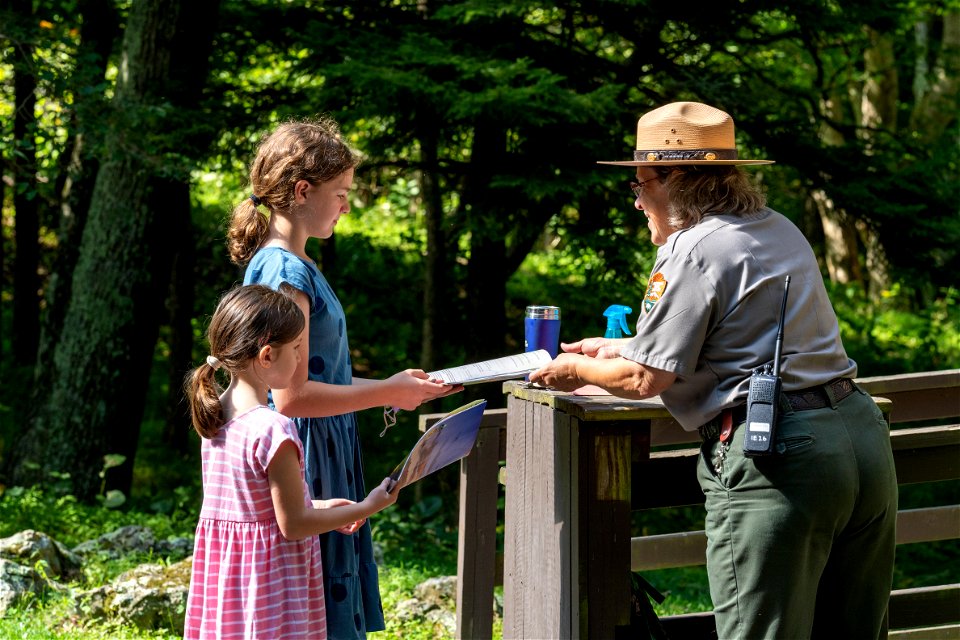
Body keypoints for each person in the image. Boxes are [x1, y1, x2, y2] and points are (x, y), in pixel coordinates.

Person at [530, 101, 898, 639]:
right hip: (861, 440)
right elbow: (741, 336)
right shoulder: (778, 229)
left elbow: (643, 381)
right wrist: (622, 348)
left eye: (640, 185)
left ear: (677, 179)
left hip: (781, 457)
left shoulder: (691, 248)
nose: (636, 201)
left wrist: (571, 368)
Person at [226, 116, 458, 638]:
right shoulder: (283, 272)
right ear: (303, 191)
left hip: (326, 444)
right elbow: (290, 397)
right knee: (314, 605)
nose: (347, 205)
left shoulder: (299, 264)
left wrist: (391, 387)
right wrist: (389, 392)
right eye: (341, 192)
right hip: (306, 452)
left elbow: (317, 374)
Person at [183, 284, 399, 639]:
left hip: (230, 588)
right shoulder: (273, 429)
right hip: (271, 589)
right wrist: (368, 505)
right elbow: (293, 524)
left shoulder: (215, 415)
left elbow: (258, 508)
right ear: (266, 356)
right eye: (297, 349)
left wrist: (322, 504)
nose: (302, 359)